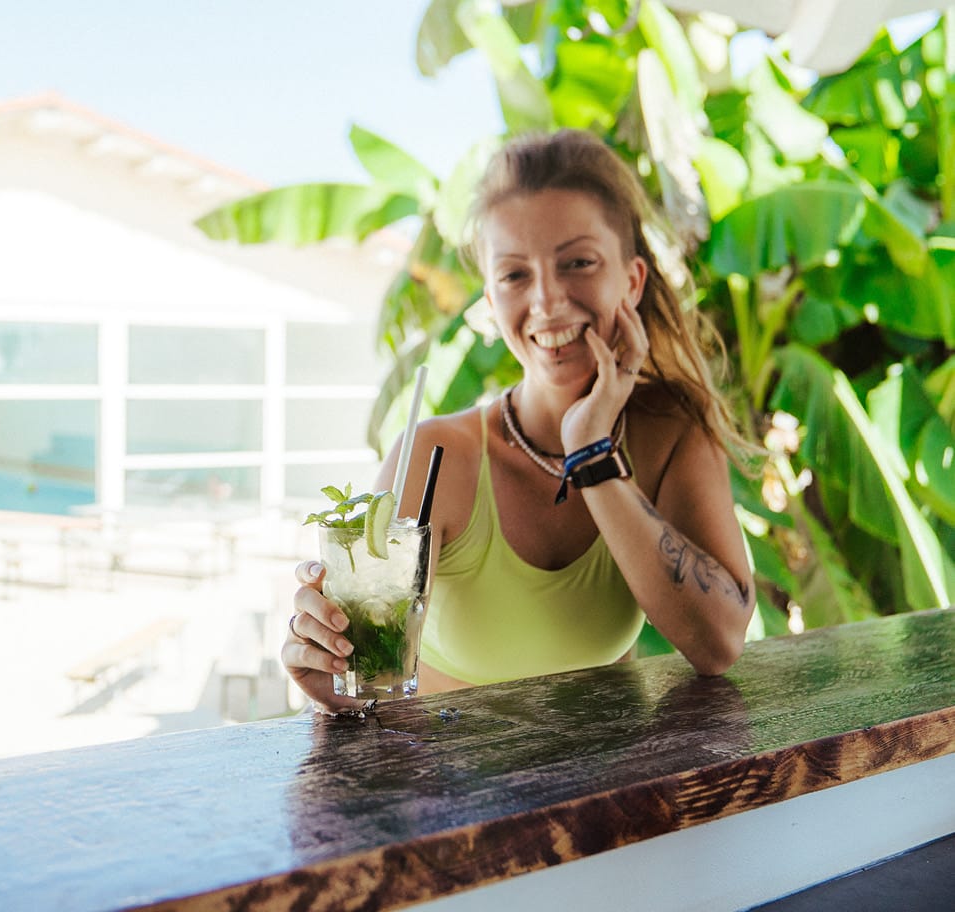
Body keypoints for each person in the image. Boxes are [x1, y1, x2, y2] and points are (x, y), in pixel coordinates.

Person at [284, 129, 756, 713]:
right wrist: (331, 677)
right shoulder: (438, 455)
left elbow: (720, 643)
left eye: (578, 262)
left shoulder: (670, 433)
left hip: (597, 790)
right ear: (490, 295)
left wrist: (591, 452)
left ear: (631, 281)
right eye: (514, 275)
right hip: (449, 790)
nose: (547, 301)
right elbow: (368, 676)